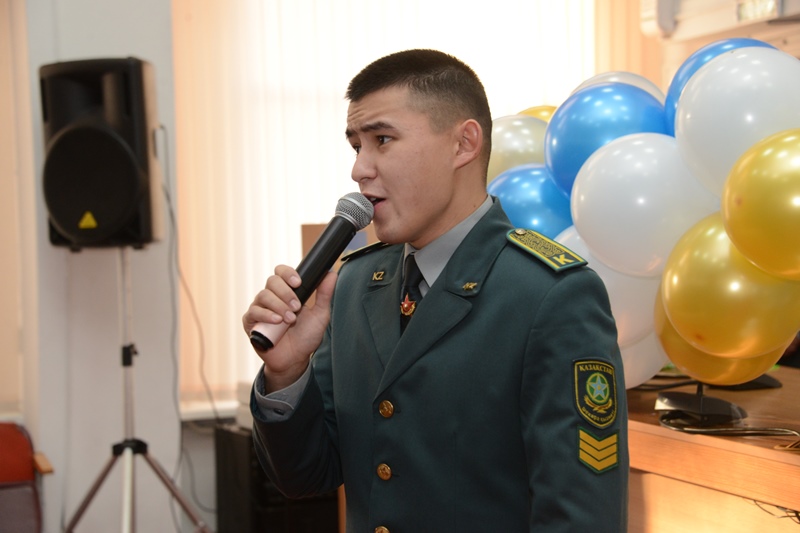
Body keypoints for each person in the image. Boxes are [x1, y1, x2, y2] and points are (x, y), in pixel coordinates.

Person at [243, 49, 628, 532]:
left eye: (383, 140)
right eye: (356, 146)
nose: (359, 169)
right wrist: (286, 372)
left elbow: (580, 517)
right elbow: (305, 476)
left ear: (463, 144)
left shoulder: (549, 294)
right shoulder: (354, 284)